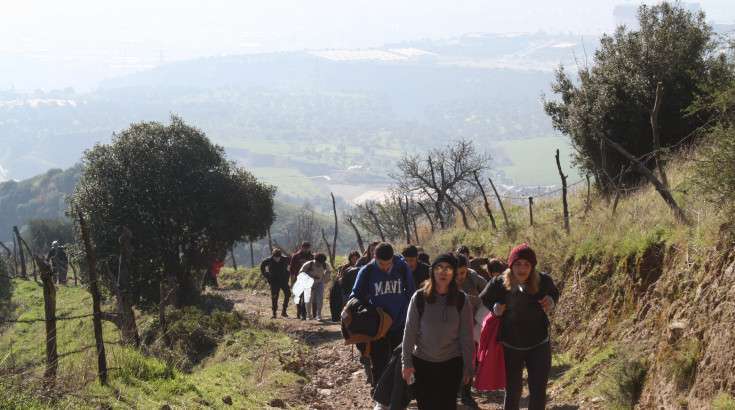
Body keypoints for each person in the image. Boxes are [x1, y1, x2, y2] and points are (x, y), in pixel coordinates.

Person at [479, 243, 560, 410]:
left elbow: (554, 293)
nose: (522, 268)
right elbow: (484, 298)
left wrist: (551, 301)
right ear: (511, 265)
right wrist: (495, 309)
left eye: (527, 264)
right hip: (510, 346)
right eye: (518, 264)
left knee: (538, 390)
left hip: (539, 344)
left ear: (532, 266)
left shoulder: (543, 280)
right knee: (513, 391)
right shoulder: (499, 282)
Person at [401, 253, 474, 410]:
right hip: (422, 363)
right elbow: (409, 333)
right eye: (439, 268)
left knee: (447, 405)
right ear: (432, 271)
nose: (443, 272)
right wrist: (406, 362)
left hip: (451, 364)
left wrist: (469, 366)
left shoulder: (462, 300)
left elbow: (466, 336)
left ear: (454, 273)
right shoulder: (419, 298)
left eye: (448, 268)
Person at [350, 243, 415, 398]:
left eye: (388, 264)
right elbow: (355, 296)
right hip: (377, 326)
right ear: (374, 258)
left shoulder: (402, 267)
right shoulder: (367, 271)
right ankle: (379, 392)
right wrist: (367, 311)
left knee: (399, 360)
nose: (385, 268)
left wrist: (406, 310)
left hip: (399, 323)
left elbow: (412, 292)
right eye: (381, 264)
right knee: (379, 361)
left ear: (393, 258)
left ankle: (398, 394)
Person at [455, 255, 488, 408]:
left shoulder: (473, 277)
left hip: (471, 326)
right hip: (450, 329)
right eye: (457, 273)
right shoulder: (443, 280)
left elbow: (489, 290)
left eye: (463, 272)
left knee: (470, 361)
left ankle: (466, 394)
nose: (460, 277)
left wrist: (475, 301)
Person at [260, 249, 291, 319]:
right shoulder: (268, 260)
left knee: (288, 294)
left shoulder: (285, 259)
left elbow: (291, 265)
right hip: (274, 281)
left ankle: (284, 311)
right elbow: (262, 267)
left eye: (278, 257)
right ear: (273, 256)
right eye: (275, 257)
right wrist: (266, 274)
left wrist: (288, 274)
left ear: (281, 256)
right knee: (274, 297)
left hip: (283, 280)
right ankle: (274, 313)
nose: (277, 259)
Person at [331, 251, 360, 321]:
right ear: (350, 258)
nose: (355, 260)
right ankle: (344, 320)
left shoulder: (361, 266)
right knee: (346, 305)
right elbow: (340, 277)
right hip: (346, 289)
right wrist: (340, 280)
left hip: (356, 288)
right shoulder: (345, 267)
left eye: (356, 258)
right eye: (353, 258)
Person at [301, 252, 331, 320]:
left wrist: (325, 278)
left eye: (321, 263)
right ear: (315, 260)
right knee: (308, 299)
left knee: (319, 299)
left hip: (319, 283)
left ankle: (319, 315)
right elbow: (301, 273)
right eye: (318, 262)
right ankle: (309, 315)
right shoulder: (308, 264)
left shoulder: (325, 265)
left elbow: (328, 273)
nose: (319, 264)